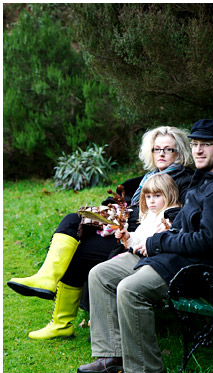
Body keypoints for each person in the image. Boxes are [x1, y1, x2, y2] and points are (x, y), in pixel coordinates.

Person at [77, 119, 213, 373]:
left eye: (206, 145)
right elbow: (187, 223)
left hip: (198, 269)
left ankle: (145, 371)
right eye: (195, 144)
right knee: (101, 274)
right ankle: (111, 355)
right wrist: (155, 235)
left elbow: (208, 241)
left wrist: (158, 241)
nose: (198, 150)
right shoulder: (205, 180)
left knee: (130, 289)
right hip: (173, 256)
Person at [7, 126, 194, 340]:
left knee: (79, 249)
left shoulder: (184, 180)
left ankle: (60, 319)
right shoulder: (148, 177)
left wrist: (152, 217)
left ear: (179, 153)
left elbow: (181, 211)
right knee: (72, 221)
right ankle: (47, 282)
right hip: (121, 228)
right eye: (156, 149)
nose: (161, 153)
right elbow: (123, 197)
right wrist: (112, 209)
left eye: (168, 149)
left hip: (138, 238)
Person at [114, 172, 181, 253]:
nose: (151, 201)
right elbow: (140, 236)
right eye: (148, 197)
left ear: (169, 195)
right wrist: (128, 237)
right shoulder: (149, 214)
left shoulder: (171, 216)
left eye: (157, 196)